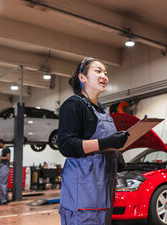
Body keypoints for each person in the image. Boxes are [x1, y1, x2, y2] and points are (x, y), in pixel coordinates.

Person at [57, 57, 129, 224]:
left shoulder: (103, 110)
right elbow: (66, 145)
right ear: (82, 78)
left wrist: (118, 154)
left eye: (105, 72)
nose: (104, 75)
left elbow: (106, 144)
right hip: (82, 193)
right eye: (98, 71)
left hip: (103, 191)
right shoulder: (74, 105)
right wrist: (106, 143)